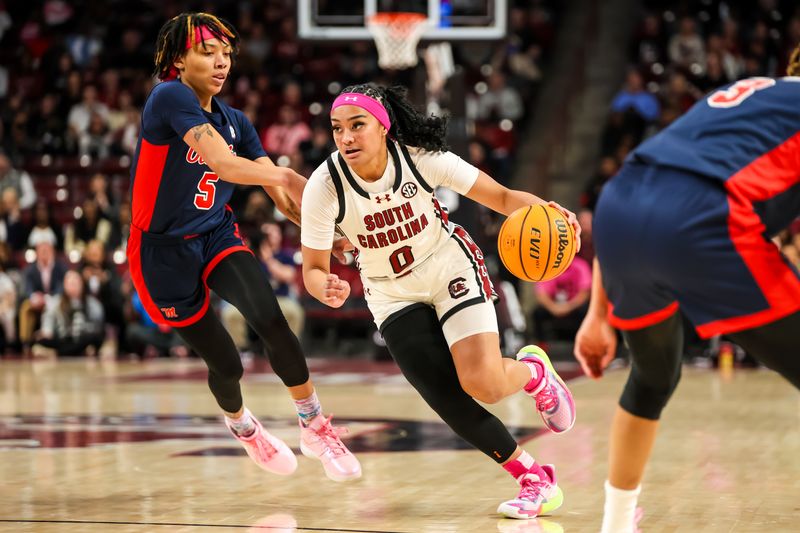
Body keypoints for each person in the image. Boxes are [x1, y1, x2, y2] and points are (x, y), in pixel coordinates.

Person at [301, 83, 581, 518]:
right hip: (390, 292)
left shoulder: (419, 159)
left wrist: (553, 211)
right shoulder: (324, 185)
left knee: (484, 384)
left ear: (384, 127)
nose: (347, 138)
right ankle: (534, 479)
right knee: (445, 396)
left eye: (357, 126)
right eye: (338, 129)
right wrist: (325, 287)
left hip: (448, 266)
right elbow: (314, 269)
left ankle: (533, 373)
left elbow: (503, 198)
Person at [128, 12, 360, 481]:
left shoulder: (237, 121)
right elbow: (222, 163)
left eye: (226, 53)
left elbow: (282, 200)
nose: (220, 62)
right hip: (161, 253)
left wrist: (327, 239)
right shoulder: (168, 96)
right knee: (227, 365)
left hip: (215, 234)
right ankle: (244, 427)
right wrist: (287, 174)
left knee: (269, 317)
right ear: (178, 60)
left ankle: (313, 424)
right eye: (206, 52)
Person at [574, 55, 800, 533]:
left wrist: (597, 315)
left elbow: (651, 183)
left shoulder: (747, 95)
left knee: (653, 377)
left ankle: (615, 525)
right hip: (701, 216)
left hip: (619, 209)